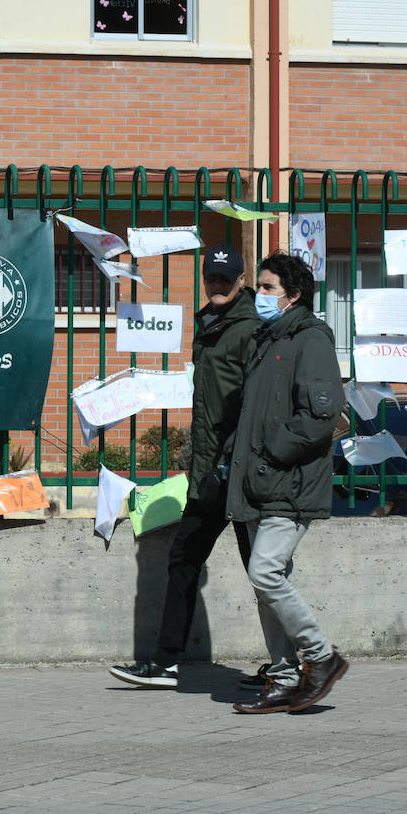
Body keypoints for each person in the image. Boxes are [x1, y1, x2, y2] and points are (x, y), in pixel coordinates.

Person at [109, 244, 259, 690]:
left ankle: (296, 664)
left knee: (263, 571)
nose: (216, 285)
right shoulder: (210, 323)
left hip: (239, 471)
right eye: (211, 278)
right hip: (208, 471)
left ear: (241, 280)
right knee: (184, 558)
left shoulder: (250, 329)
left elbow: (252, 404)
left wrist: (230, 459)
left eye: (225, 279)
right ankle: (165, 663)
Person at [227, 252, 348, 714]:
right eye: (259, 286)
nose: (259, 295)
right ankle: (281, 678)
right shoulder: (269, 339)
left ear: (294, 295)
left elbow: (321, 415)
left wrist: (271, 454)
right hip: (261, 481)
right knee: (265, 584)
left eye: (268, 288)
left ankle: (321, 658)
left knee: (266, 572)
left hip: (290, 480)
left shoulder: (309, 340)